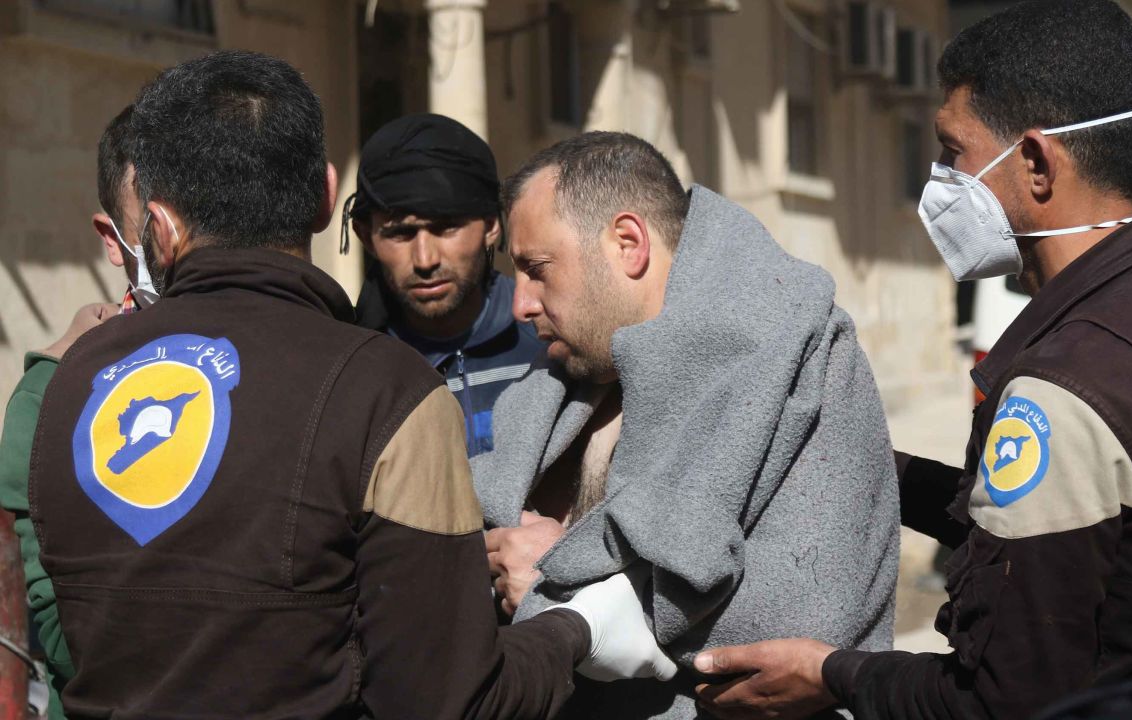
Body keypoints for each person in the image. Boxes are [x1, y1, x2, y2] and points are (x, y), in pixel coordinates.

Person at [26, 50, 673, 719]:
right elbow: (445, 701)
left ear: (155, 225)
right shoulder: (385, 390)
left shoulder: (69, 385)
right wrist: (579, 630)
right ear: (328, 199)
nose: (424, 256)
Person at [692, 2, 1132, 718]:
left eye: (952, 152)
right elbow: (1065, 534)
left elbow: (1001, 702)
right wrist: (862, 463)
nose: (939, 180)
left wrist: (831, 674)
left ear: (1034, 163)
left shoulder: (1070, 383)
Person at [475, 131, 900, 719]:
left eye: (537, 268)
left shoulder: (801, 355)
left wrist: (557, 589)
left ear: (628, 243)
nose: (520, 303)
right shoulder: (570, 379)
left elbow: (796, 629)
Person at [0, 103, 150, 720]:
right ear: (113, 242)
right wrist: (60, 378)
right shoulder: (56, 390)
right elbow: (66, 630)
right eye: (157, 221)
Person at [344, 114, 544, 456]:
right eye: (400, 233)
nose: (425, 260)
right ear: (366, 236)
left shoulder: (547, 341)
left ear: (492, 225)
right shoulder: (350, 372)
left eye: (446, 228)